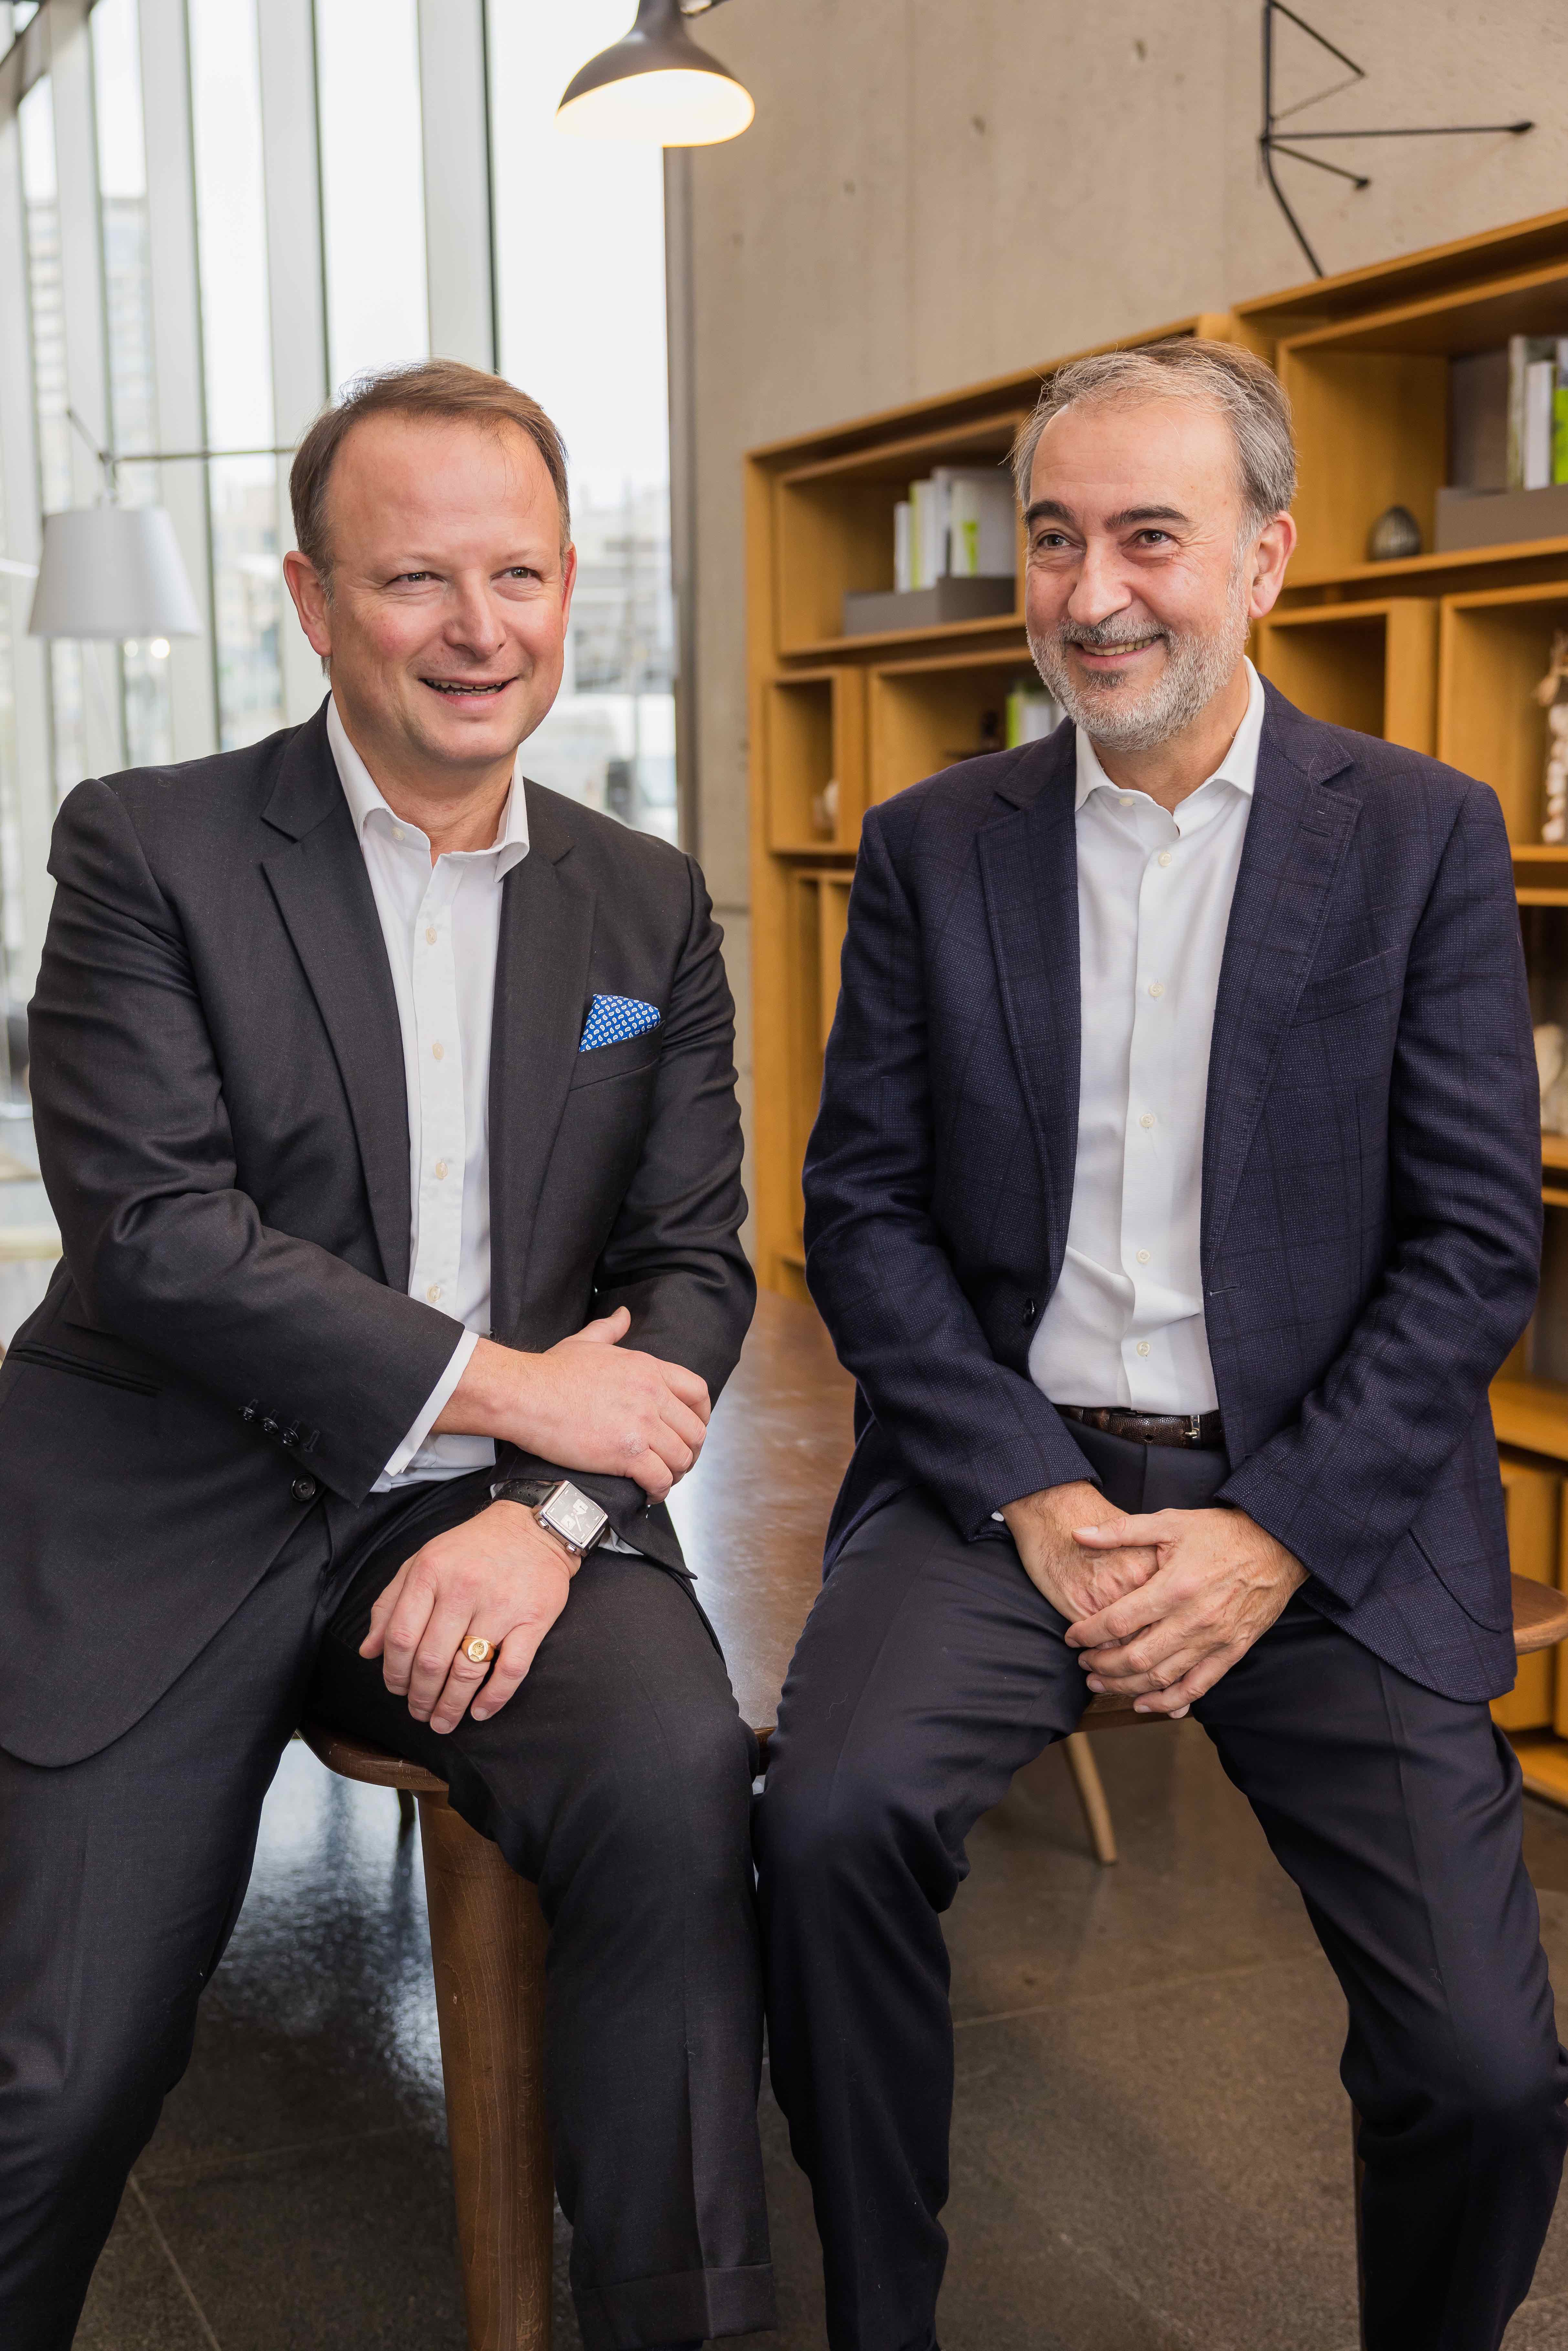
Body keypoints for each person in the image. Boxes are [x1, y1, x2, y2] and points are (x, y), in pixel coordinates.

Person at [756, 337, 1568, 2351]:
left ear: (1264, 557)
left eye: (1147, 537)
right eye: (1053, 539)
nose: (1090, 592)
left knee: (1486, 2071)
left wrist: (1268, 1536)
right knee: (827, 1826)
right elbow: (859, 1211)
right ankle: (879, 2322)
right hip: (1003, 1483)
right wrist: (1030, 1494)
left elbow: (1474, 1240)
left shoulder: (1418, 834)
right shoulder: (938, 843)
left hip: (1321, 1505)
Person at [0, 359, 773, 2351]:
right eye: (416, 576)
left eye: (517, 574)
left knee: (677, 1790)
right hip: (167, 1496)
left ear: (568, 586)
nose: (476, 627)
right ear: (313, 599)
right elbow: (160, 1239)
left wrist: (551, 1512)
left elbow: (691, 1265)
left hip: (485, 1514)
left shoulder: (642, 900)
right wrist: (519, 1390)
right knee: (58, 2071)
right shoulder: (147, 847)